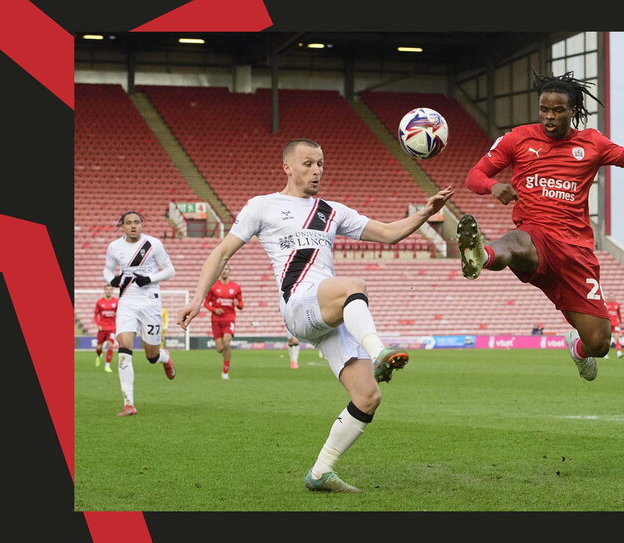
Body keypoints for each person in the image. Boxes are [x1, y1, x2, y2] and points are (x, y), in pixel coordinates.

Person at [177, 138, 454, 493]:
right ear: (287, 167)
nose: (317, 170)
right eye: (308, 163)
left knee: (368, 396)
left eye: (321, 163)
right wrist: (198, 296)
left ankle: (320, 472)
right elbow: (222, 252)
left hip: (328, 313)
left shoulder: (332, 210)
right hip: (298, 304)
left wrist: (425, 212)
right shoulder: (263, 206)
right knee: (355, 283)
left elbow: (387, 234)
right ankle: (380, 352)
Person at [458, 71, 624, 382]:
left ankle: (577, 350)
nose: (549, 117)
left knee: (600, 343)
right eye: (543, 109)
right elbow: (474, 176)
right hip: (536, 235)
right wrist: (492, 187)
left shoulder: (592, 143)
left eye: (558, 110)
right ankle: (479, 256)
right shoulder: (517, 139)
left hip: (576, 251)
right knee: (515, 242)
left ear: (574, 111)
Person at [103, 210, 177, 417]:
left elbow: (170, 270)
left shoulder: (153, 244)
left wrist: (151, 279)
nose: (133, 226)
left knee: (151, 356)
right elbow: (108, 270)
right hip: (126, 302)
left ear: (141, 224)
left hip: (150, 303)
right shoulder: (115, 247)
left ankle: (165, 357)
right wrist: (112, 280)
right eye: (128, 223)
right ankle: (129, 403)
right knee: (124, 348)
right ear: (123, 226)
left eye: (136, 222)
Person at [204, 264, 244, 379]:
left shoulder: (236, 287)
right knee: (219, 348)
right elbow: (206, 303)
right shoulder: (213, 286)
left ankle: (225, 371)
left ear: (229, 271)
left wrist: (238, 304)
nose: (224, 271)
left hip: (229, 318)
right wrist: (214, 310)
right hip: (216, 319)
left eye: (226, 269)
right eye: (222, 269)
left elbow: (241, 305)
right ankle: (224, 356)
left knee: (227, 343)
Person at [93, 283, 118, 373]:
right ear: (104, 291)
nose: (108, 291)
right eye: (107, 289)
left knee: (110, 346)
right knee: (99, 348)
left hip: (111, 328)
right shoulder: (99, 302)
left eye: (110, 289)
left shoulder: (116, 302)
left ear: (112, 291)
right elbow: (95, 315)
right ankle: (99, 356)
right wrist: (98, 324)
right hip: (102, 328)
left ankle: (107, 366)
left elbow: (119, 314)